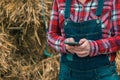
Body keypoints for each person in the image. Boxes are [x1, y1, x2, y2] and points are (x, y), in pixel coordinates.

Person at [47, 0, 120, 80]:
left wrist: (93, 47)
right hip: (68, 74)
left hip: (103, 73)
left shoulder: (112, 1)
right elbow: (51, 35)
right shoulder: (59, 1)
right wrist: (65, 45)